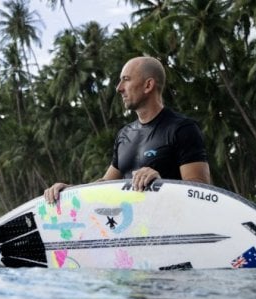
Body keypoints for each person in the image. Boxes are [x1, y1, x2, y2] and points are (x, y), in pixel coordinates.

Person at [44, 56, 210, 203]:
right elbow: (105, 185)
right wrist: (69, 191)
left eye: (126, 79)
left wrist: (162, 182)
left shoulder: (182, 129)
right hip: (134, 232)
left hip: (170, 230)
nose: (119, 88)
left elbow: (201, 190)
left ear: (148, 85)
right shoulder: (125, 134)